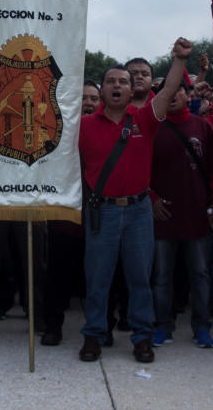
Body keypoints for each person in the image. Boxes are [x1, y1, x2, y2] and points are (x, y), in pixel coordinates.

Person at [77, 37, 191, 363]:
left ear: (132, 90)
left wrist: (179, 60)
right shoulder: (83, 126)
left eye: (123, 82)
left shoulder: (144, 120)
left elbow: (169, 92)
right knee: (97, 279)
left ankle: (142, 338)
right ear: (101, 90)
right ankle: (94, 336)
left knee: (140, 278)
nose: (117, 86)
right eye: (111, 81)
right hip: (103, 212)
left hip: (140, 211)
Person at [149, 77, 213, 349]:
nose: (174, 94)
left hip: (197, 217)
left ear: (188, 94)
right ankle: (163, 326)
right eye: (167, 91)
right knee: (162, 277)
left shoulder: (203, 127)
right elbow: (141, 169)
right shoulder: (153, 128)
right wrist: (152, 198)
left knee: (200, 275)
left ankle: (202, 327)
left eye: (179, 89)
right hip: (163, 218)